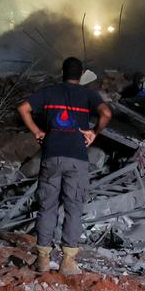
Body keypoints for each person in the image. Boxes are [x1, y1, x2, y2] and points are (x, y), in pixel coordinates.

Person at [18, 57, 111, 275]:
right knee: (73, 208)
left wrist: (37, 132)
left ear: (62, 72)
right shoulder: (88, 95)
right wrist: (94, 132)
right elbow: (106, 113)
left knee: (47, 207)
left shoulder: (49, 92)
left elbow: (23, 108)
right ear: (81, 74)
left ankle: (42, 259)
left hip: (52, 155)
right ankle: (68, 262)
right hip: (77, 157)